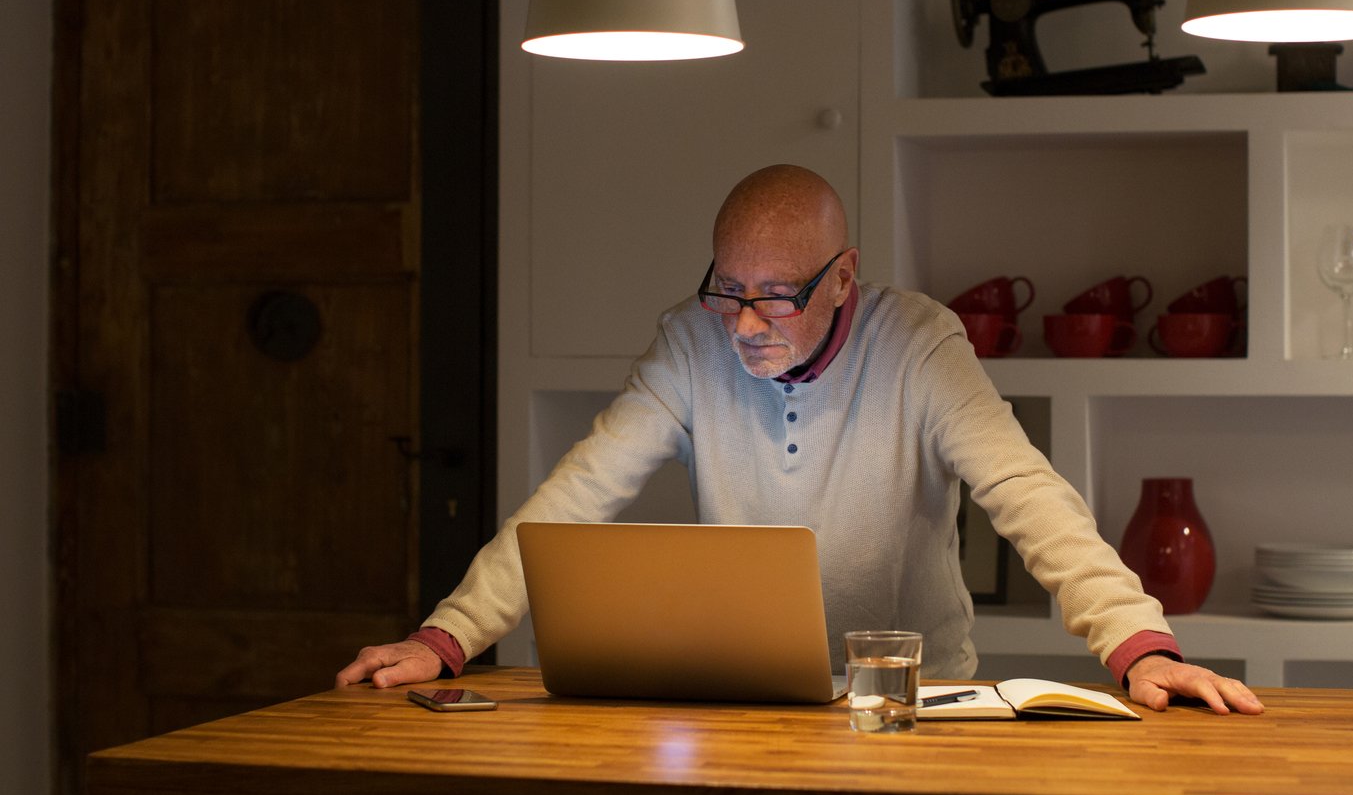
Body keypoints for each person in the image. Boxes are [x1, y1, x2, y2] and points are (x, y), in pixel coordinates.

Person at [339, 165, 1262, 716]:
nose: (741, 322)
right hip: (743, 704)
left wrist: (1143, 646)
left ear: (842, 276)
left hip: (911, 705)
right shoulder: (688, 341)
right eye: (726, 287)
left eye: (773, 292)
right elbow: (573, 496)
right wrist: (448, 634)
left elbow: (1029, 494)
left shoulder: (919, 343)